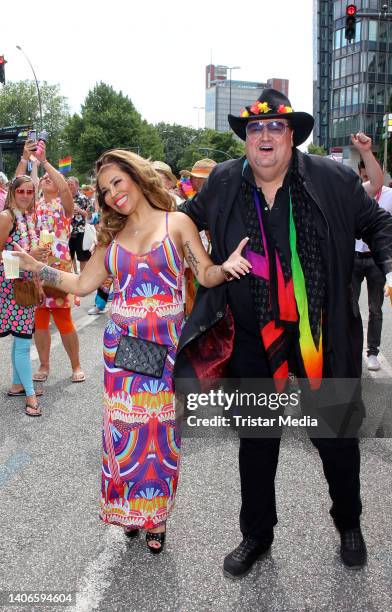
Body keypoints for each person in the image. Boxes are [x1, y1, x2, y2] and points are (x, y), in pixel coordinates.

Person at [175, 88, 392, 578]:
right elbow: (184, 217)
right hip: (250, 340)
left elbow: (377, 225)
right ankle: (255, 536)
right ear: (246, 138)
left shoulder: (330, 177)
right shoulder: (224, 181)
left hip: (319, 339)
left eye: (275, 127)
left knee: (336, 440)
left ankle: (349, 523)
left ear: (292, 136)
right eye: (255, 129)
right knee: (256, 445)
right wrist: (207, 267)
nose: (264, 136)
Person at [14, 149, 249, 551]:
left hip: (165, 349)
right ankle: (129, 508)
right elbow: (80, 286)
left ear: (137, 177)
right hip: (121, 350)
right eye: (105, 191)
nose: (112, 194)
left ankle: (155, 517)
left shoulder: (177, 223)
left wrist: (224, 268)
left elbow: (204, 272)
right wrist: (37, 269)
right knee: (123, 433)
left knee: (159, 436)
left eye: (117, 183)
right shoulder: (111, 238)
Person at [15, 139, 86, 384]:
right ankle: (44, 366)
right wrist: (26, 159)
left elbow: (65, 189)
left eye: (50, 178)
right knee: (40, 320)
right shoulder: (33, 207)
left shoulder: (63, 205)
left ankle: (76, 365)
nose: (46, 178)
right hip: (35, 272)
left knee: (64, 319)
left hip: (59, 271)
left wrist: (44, 161)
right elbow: (18, 186)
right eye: (43, 177)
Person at [0, 175, 49, 416]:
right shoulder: (6, 217)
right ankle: (30, 394)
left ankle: (18, 384)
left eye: (30, 192)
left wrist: (39, 284)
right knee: (22, 342)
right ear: (12, 192)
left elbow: (32, 261)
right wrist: (30, 255)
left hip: (26, 284)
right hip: (10, 287)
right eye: (22, 191)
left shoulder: (29, 218)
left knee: (21, 338)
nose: (26, 196)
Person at [353, 154, 392, 371]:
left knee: (375, 309)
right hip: (354, 258)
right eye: (364, 176)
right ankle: (352, 352)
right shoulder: (353, 192)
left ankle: (373, 351)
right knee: (349, 308)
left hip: (376, 261)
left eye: (371, 176)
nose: (368, 181)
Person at [178, 159, 217, 315]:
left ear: (200, 180)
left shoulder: (201, 203)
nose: (191, 181)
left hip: (208, 265)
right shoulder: (202, 200)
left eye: (193, 177)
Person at [67, 176, 93, 273]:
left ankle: (82, 276)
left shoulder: (84, 198)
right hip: (67, 231)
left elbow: (90, 215)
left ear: (77, 186)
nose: (70, 186)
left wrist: (79, 210)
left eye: (72, 184)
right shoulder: (65, 198)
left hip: (80, 231)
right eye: (68, 184)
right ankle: (75, 274)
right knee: (69, 255)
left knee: (82, 257)